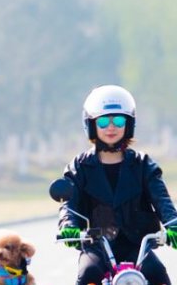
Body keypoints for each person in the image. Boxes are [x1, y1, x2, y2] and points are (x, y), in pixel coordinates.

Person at [57, 84, 177, 285]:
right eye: (103, 121)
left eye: (119, 120)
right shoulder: (79, 166)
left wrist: (173, 225)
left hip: (138, 246)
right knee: (87, 275)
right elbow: (69, 203)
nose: (111, 127)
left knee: (159, 275)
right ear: (91, 124)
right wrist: (68, 226)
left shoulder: (143, 164)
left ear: (129, 124)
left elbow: (162, 200)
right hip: (96, 246)